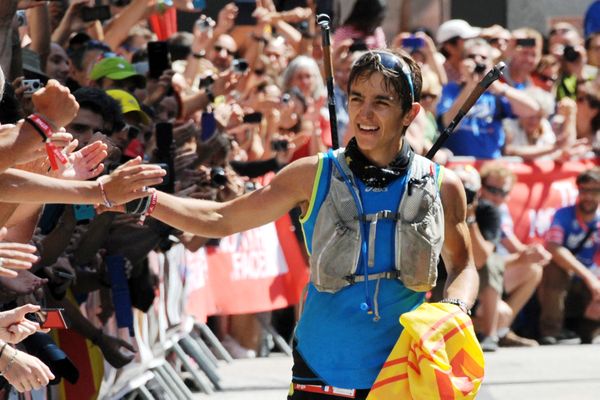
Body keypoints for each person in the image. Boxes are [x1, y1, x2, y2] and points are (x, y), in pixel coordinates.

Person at [103, 49, 479, 399]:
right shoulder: (311, 175)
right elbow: (221, 218)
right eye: (358, 98)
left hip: (403, 371)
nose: (365, 113)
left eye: (381, 102)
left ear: (410, 113)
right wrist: (146, 200)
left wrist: (455, 310)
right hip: (320, 370)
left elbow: (463, 265)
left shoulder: (441, 185)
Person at [539, 167, 600, 345]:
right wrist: (589, 278)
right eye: (584, 190)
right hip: (569, 277)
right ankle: (551, 330)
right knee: (552, 268)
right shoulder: (563, 214)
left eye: (595, 191)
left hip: (592, 285)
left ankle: (590, 329)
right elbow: (553, 248)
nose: (588, 196)